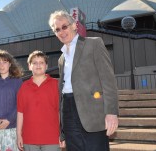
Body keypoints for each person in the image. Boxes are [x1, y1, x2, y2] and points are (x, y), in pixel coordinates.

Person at [48, 10, 119, 151]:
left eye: (64, 26)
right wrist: (61, 130)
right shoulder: (61, 59)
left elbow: (108, 80)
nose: (61, 32)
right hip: (67, 110)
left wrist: (111, 112)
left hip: (92, 111)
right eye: (57, 29)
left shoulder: (93, 44)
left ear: (74, 26)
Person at [17, 50, 60, 151]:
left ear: (46, 66)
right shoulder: (24, 87)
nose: (38, 65)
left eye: (41, 62)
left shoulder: (56, 85)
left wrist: (62, 134)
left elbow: (60, 112)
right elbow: (20, 113)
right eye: (35, 63)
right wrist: (19, 134)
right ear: (29, 66)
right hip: (29, 138)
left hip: (52, 138)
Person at [0, 50, 23, 151]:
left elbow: (20, 103)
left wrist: (9, 119)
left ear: (10, 64)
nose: (2, 65)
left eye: (5, 62)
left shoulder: (18, 81)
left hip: (11, 127)